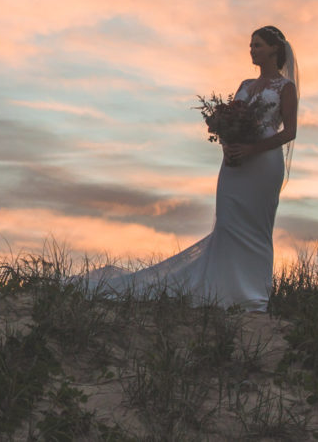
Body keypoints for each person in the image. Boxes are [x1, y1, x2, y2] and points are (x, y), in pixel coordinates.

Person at [83, 26, 299, 311]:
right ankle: (222, 289)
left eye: (257, 45)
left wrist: (252, 149)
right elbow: (231, 121)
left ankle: (252, 293)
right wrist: (228, 145)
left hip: (264, 162)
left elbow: (290, 132)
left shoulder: (285, 88)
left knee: (257, 226)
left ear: (274, 49)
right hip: (235, 161)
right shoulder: (245, 85)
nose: (252, 50)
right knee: (228, 221)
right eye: (250, 45)